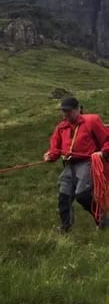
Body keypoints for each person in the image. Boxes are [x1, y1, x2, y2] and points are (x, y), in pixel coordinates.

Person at [43, 96, 109, 232]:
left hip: (87, 163)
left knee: (83, 194)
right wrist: (50, 155)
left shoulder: (92, 121)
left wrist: (103, 152)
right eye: (64, 111)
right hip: (68, 164)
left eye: (69, 111)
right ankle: (65, 227)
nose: (66, 114)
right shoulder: (61, 127)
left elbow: (107, 139)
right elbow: (55, 148)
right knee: (64, 195)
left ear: (78, 109)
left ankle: (102, 221)